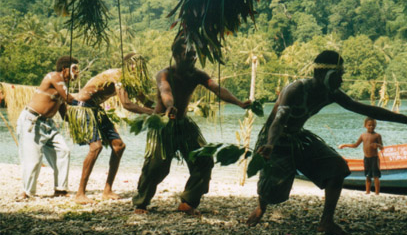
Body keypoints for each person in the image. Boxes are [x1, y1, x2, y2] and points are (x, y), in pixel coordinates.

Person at [246, 50, 407, 235]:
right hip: (275, 140)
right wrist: (270, 144)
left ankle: (326, 222)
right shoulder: (295, 90)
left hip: (298, 137)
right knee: (274, 194)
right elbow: (278, 121)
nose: (341, 80)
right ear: (320, 74)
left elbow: (366, 109)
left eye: (341, 75)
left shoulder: (332, 94)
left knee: (337, 167)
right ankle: (262, 207)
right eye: (337, 75)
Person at [132, 38, 251, 215]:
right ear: (176, 55)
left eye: (194, 54)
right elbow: (165, 91)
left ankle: (188, 202)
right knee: (157, 167)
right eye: (188, 54)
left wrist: (239, 103)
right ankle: (141, 204)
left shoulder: (197, 75)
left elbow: (218, 89)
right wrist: (170, 106)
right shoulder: (164, 74)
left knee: (204, 159)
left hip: (184, 124)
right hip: (163, 125)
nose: (192, 58)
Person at [70, 53, 155, 204]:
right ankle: (80, 193)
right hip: (82, 107)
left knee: (119, 146)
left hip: (95, 109)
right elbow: (127, 104)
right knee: (96, 147)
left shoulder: (130, 80)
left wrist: (164, 108)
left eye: (140, 65)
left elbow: (145, 100)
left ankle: (107, 190)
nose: (137, 68)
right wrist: (151, 112)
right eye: (134, 64)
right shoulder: (117, 76)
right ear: (127, 65)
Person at [16, 56, 79, 199]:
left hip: (48, 125)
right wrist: (88, 96)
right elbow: (70, 99)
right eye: (74, 68)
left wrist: (83, 122)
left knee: (63, 151)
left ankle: (60, 190)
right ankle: (28, 192)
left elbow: (65, 116)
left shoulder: (62, 89)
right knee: (33, 160)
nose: (77, 72)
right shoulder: (54, 77)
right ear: (64, 69)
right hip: (32, 121)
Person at [339, 117, 383, 195]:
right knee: (367, 175)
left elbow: (382, 147)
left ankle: (377, 193)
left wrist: (378, 145)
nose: (371, 127)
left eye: (373, 125)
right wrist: (345, 145)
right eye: (369, 125)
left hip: (374, 158)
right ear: (365, 125)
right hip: (366, 158)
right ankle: (367, 191)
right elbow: (355, 145)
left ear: (375, 126)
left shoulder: (377, 135)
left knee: (376, 176)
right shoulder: (363, 135)